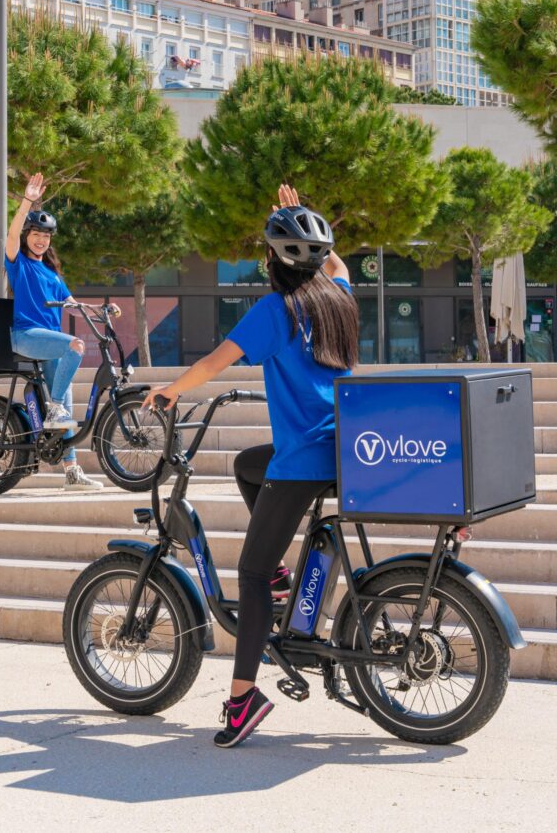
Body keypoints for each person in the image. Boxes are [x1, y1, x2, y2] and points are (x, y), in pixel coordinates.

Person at [144, 185, 358, 748]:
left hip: (306, 456)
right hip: (343, 447)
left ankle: (241, 701)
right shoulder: (338, 296)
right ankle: (285, 581)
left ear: (270, 260)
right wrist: (301, 212)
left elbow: (214, 363)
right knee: (247, 464)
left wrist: (168, 391)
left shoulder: (275, 310)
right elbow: (335, 262)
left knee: (252, 573)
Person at [6, 172, 116, 492]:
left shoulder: (51, 273)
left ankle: (71, 472)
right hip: (27, 336)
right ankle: (53, 407)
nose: (42, 239)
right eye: (37, 233)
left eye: (47, 236)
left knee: (66, 405)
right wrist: (27, 200)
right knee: (75, 347)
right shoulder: (19, 263)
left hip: (49, 342)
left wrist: (101, 310)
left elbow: (71, 303)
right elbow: (10, 236)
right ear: (27, 235)